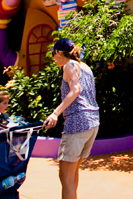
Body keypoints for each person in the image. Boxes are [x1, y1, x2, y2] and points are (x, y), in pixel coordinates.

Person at [43, 39, 100, 199]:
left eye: (54, 55)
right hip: (92, 122)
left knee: (65, 176)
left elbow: (76, 89)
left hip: (77, 123)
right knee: (72, 173)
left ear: (59, 53)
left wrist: (55, 113)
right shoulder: (85, 67)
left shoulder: (69, 66)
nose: (54, 59)